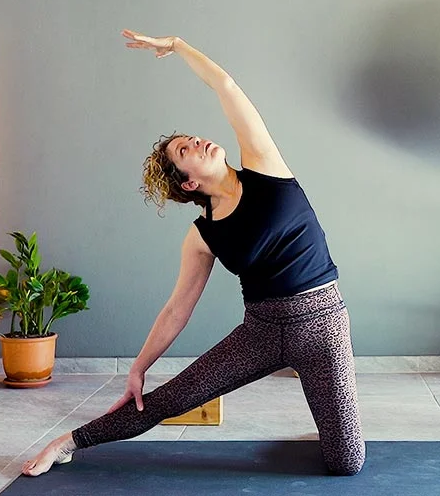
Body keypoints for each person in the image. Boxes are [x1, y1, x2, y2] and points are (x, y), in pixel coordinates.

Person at [22, 29, 365, 477]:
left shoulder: (264, 164)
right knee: (168, 399)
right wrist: (138, 368)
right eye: (186, 149)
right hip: (261, 331)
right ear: (188, 182)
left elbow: (226, 86)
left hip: (322, 324)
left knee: (347, 463)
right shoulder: (202, 235)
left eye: (192, 138)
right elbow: (175, 311)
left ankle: (331, 429)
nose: (199, 141)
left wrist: (178, 46)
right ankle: (67, 442)